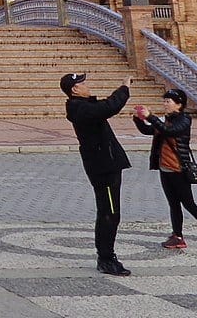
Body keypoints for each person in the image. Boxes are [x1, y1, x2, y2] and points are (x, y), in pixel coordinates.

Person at [133, 88, 197, 251]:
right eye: (164, 101)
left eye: (168, 102)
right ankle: (177, 236)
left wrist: (151, 117)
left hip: (178, 168)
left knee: (189, 204)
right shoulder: (166, 119)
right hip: (165, 168)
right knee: (173, 204)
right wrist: (139, 119)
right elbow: (149, 130)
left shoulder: (184, 120)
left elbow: (170, 132)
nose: (165, 104)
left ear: (179, 105)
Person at [63, 72, 133, 276]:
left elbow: (102, 107)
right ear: (75, 89)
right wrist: (124, 88)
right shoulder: (80, 108)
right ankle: (106, 257)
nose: (87, 86)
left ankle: (106, 255)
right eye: (83, 84)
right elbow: (109, 107)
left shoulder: (83, 106)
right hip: (103, 167)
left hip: (106, 164)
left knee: (108, 212)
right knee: (109, 213)